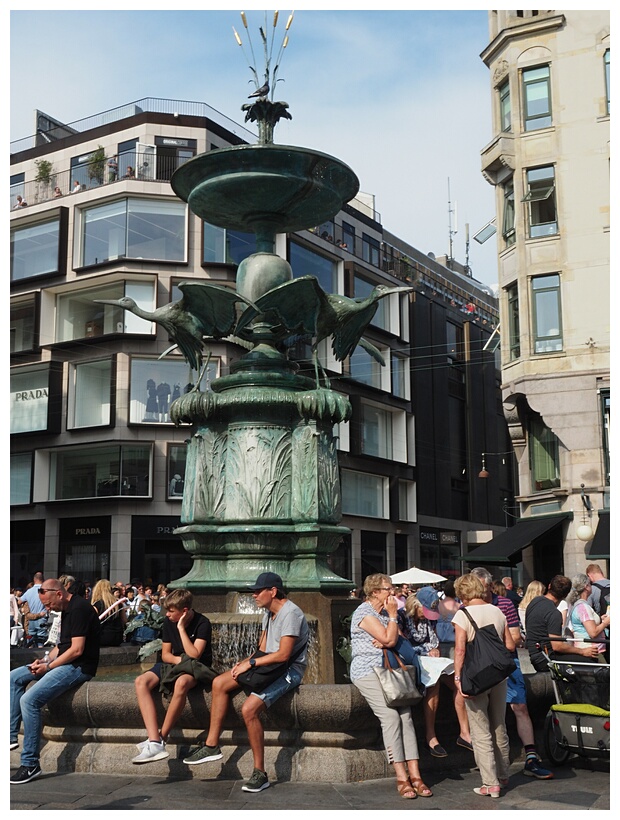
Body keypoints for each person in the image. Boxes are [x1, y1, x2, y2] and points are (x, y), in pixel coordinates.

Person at [182, 572, 308, 793]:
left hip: (289, 671)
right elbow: (262, 648)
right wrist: (245, 662)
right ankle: (212, 745)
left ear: (273, 591)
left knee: (249, 709)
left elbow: (283, 655)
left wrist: (251, 664)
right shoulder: (268, 613)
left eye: (258, 591)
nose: (254, 596)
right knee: (220, 683)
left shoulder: (291, 613)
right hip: (268, 666)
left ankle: (260, 773)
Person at [347, 573, 432, 800]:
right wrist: (392, 624)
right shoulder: (363, 613)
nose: (392, 592)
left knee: (406, 715)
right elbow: (390, 639)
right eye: (388, 588)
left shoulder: (385, 612)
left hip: (390, 670)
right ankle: (401, 777)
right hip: (367, 671)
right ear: (375, 592)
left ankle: (416, 774)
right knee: (390, 717)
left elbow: (397, 640)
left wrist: (389, 632)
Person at [10, 578, 101, 784]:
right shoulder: (66, 610)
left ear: (58, 594)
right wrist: (43, 661)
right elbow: (61, 646)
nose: (47, 608)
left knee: (29, 700)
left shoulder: (79, 609)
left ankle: (30, 763)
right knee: (13, 678)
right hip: (64, 662)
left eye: (49, 604)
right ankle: (10, 737)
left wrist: (49, 667)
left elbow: (77, 650)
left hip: (79, 667)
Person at [471, 567, 553, 780]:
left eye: (484, 588)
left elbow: (515, 639)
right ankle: (488, 763)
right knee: (484, 713)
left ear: (490, 585)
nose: (481, 593)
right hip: (480, 665)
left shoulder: (505, 603)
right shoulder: (467, 606)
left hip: (506, 663)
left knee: (520, 706)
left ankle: (531, 757)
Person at [132, 588, 214, 764]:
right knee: (141, 681)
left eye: (171, 611)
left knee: (182, 683)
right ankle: (154, 740)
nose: (167, 614)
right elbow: (166, 655)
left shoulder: (203, 623)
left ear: (184, 611)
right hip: (172, 664)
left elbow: (195, 655)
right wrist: (182, 661)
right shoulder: (168, 622)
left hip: (195, 668)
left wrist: (181, 629)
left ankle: (162, 738)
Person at [453, 573, 514, 799]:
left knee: (480, 731)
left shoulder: (462, 615)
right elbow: (509, 645)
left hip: (477, 678)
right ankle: (504, 774)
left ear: (462, 593)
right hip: (498, 675)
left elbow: (460, 650)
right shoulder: (496, 610)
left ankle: (490, 783)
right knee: (499, 726)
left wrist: (458, 678)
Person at [401, 588, 472, 758]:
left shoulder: (429, 621)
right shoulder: (401, 617)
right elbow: (403, 645)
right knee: (434, 684)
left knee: (459, 680)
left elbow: (434, 642)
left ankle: (464, 732)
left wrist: (434, 649)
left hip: (430, 660)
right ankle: (431, 736)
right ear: (415, 606)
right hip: (414, 661)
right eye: (425, 611)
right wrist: (427, 649)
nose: (428, 615)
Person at [525, 575, 600, 671]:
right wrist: (582, 651)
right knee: (593, 665)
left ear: (549, 586)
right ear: (566, 595)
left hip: (534, 654)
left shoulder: (535, 601)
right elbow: (557, 646)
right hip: (546, 658)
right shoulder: (554, 613)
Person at [565, 574, 609, 662]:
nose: (592, 586)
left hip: (591, 651)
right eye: (590, 584)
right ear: (586, 587)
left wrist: (600, 619)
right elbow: (593, 633)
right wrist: (606, 623)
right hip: (591, 652)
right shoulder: (583, 607)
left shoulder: (578, 605)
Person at [91, 579, 127, 647]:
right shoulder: (118, 604)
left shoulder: (97, 604)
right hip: (117, 638)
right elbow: (125, 620)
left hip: (102, 637)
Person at [18, 572, 49, 647]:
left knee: (30, 638)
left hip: (31, 620)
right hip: (42, 618)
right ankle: (40, 654)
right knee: (40, 639)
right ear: (43, 579)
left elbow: (19, 601)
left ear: (34, 580)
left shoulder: (29, 591)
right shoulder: (46, 591)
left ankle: (29, 654)